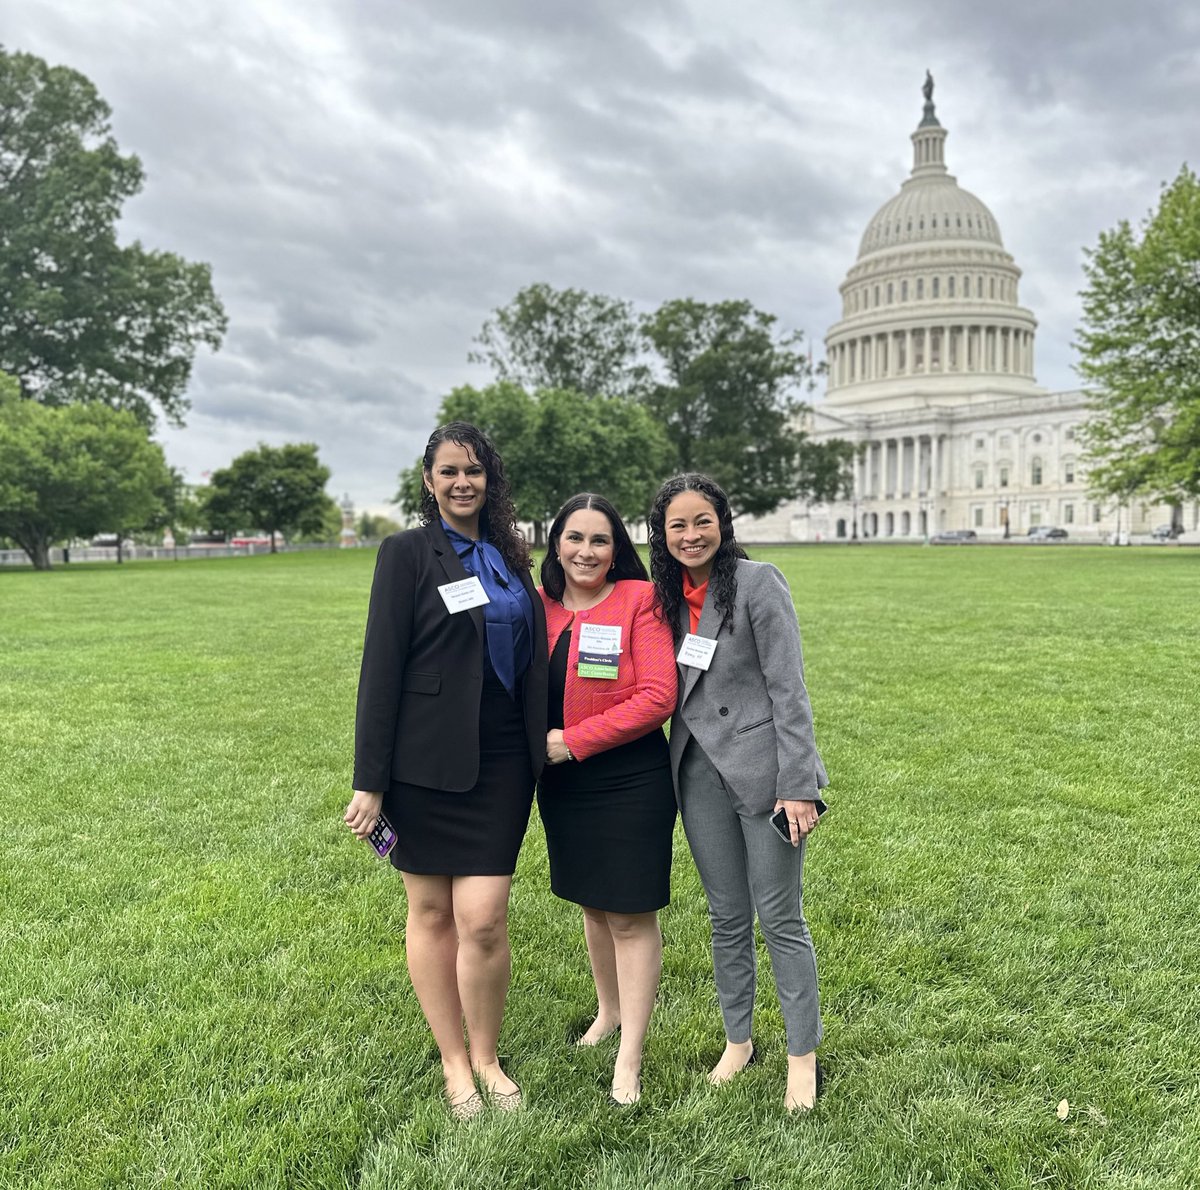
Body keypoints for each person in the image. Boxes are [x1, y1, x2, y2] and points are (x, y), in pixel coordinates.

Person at [345, 422, 548, 1121]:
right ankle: (454, 1063)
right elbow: (382, 667)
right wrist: (369, 779)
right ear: (428, 481)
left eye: (475, 471)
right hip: (423, 765)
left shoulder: (509, 558)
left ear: (490, 481)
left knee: (485, 919)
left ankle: (487, 1055)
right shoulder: (406, 553)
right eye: (449, 471)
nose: (464, 482)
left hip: (501, 763)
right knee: (430, 912)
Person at [648, 473, 829, 1113]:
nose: (691, 535)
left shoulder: (758, 583)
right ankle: (739, 1039)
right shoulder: (661, 602)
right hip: (695, 773)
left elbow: (790, 690)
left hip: (766, 775)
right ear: (661, 535)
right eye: (677, 525)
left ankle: (801, 1056)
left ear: (722, 523)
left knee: (780, 917)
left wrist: (799, 784)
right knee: (726, 917)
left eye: (702, 521)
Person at [537, 493, 678, 1105]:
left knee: (629, 913)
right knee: (593, 906)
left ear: (617, 548)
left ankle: (631, 1057)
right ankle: (608, 1011)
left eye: (599, 540)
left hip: (628, 779)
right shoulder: (538, 606)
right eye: (574, 538)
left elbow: (657, 696)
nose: (585, 551)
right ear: (556, 544)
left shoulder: (638, 601)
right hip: (562, 784)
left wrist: (576, 741)